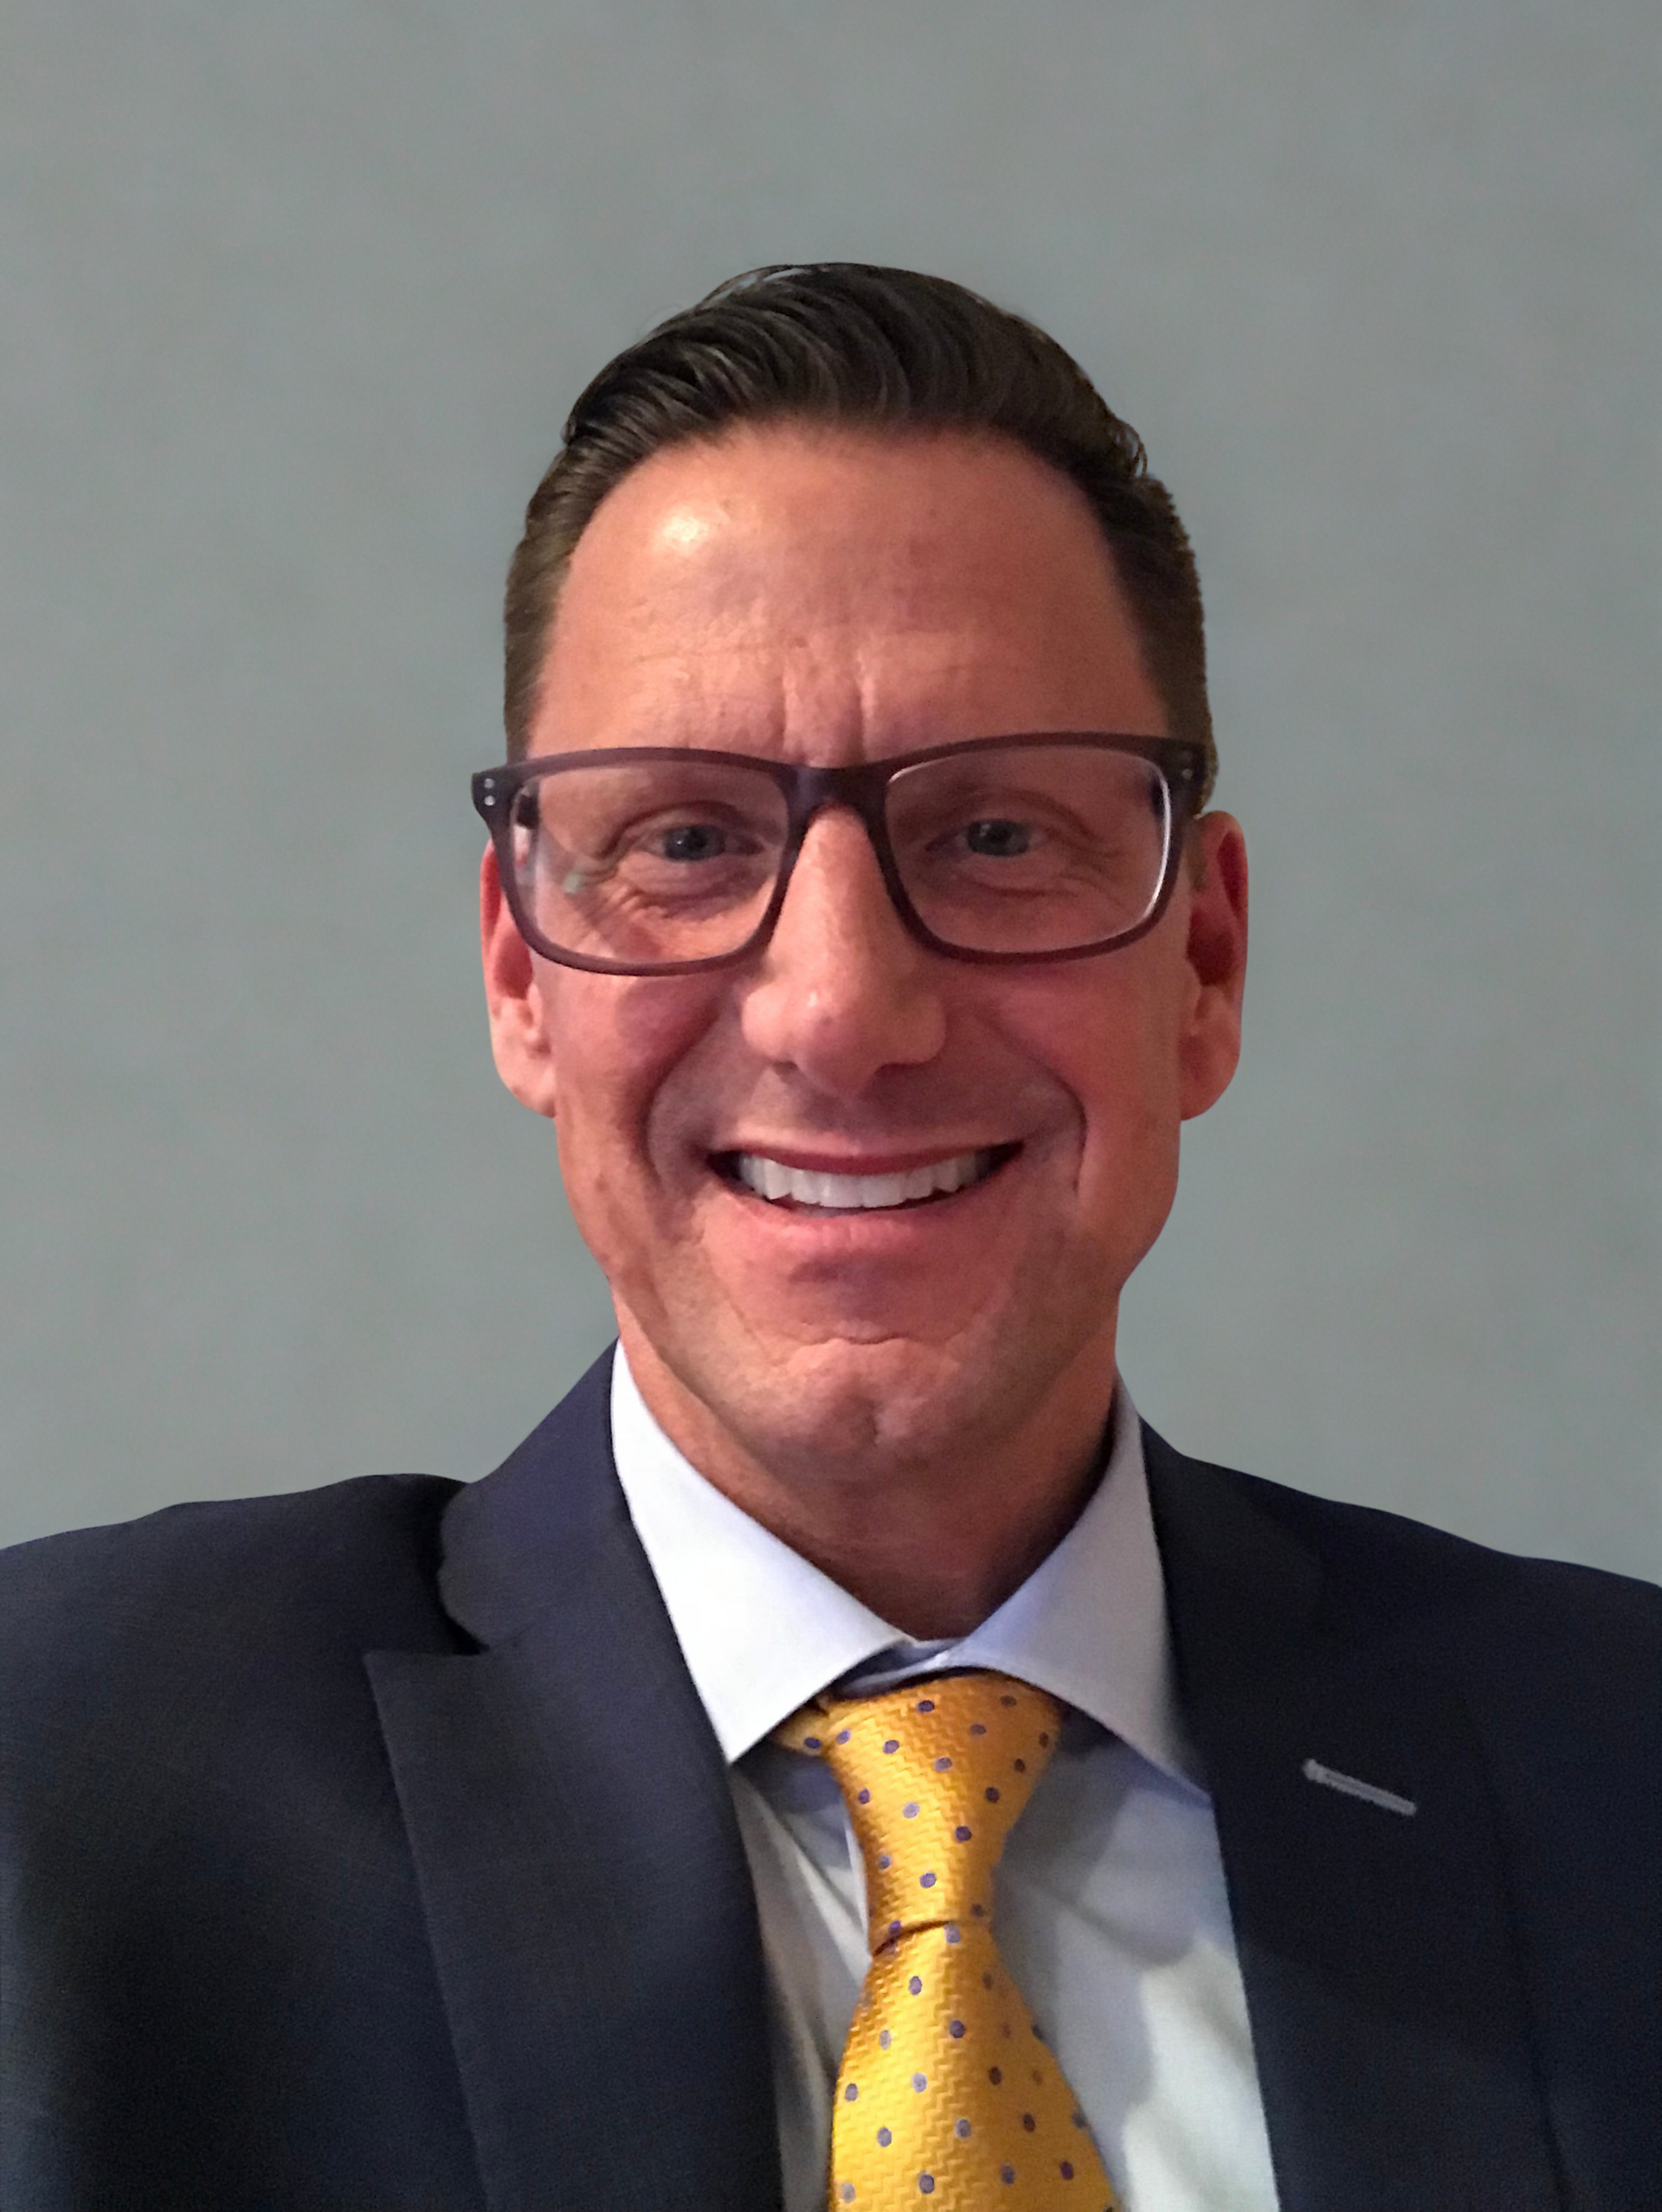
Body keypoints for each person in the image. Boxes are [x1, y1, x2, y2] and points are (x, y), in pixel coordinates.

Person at [1, 265, 1655, 2212]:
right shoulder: (57, 1802)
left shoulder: (1618, 1789)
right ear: (522, 974)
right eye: (689, 841)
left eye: (998, 835)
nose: (839, 1008)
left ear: (1201, 962)